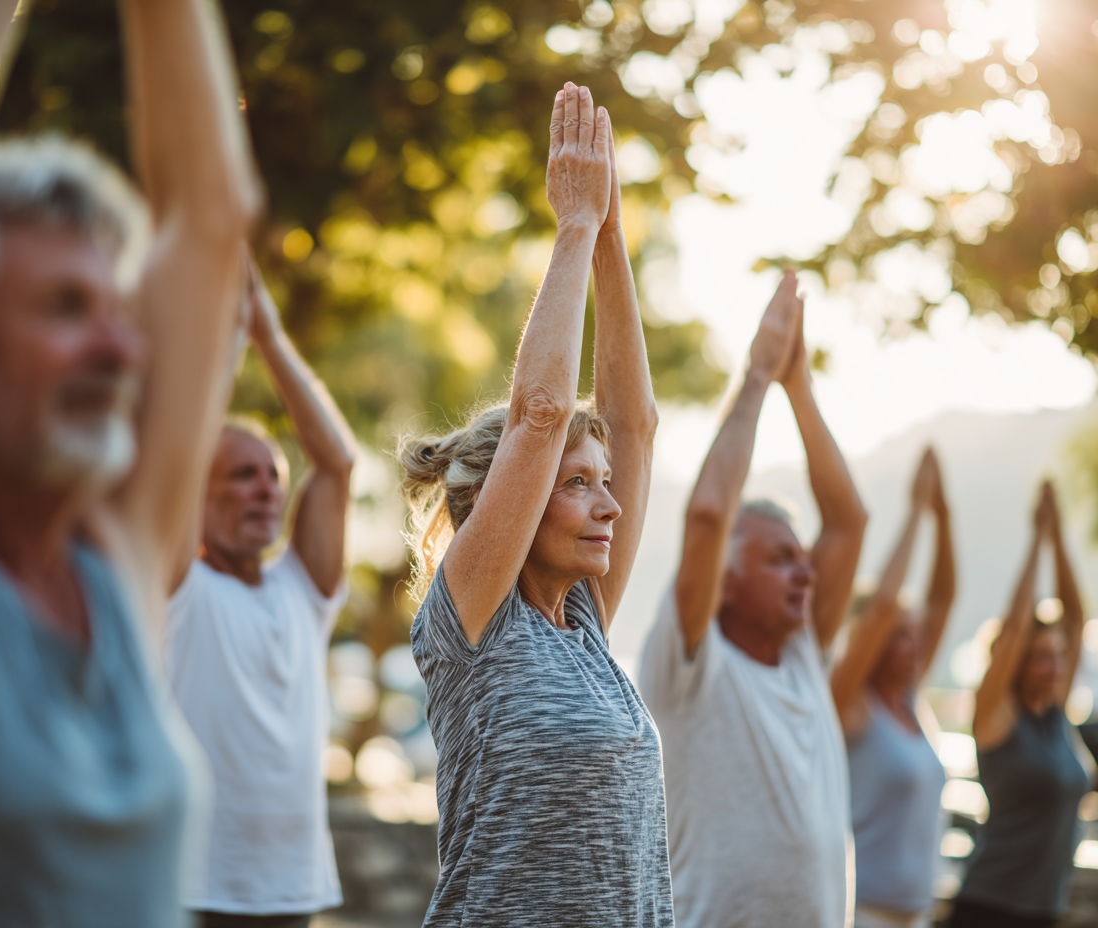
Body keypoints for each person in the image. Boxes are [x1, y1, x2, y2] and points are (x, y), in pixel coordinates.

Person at [0, 0, 260, 923]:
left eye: (115, 310)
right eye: (61, 308)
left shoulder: (118, 564)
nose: (119, 349)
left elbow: (210, 218)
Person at [397, 83, 670, 927]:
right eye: (576, 485)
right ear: (503, 507)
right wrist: (574, 227)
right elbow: (541, 415)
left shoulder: (583, 624)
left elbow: (637, 426)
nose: (610, 507)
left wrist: (614, 237)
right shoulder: (473, 621)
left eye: (605, 485)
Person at [638, 270, 868, 928]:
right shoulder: (689, 667)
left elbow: (849, 523)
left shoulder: (802, 655)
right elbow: (709, 515)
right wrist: (758, 377)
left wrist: (801, 387)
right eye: (778, 558)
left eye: (803, 559)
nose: (805, 574)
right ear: (726, 581)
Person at [166, 255, 357, 928]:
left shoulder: (301, 593)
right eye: (242, 476)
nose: (266, 489)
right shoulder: (174, 589)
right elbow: (173, 457)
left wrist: (269, 338)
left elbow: (336, 462)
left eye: (273, 476)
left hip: (292, 892)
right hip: (190, 891)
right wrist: (225, 345)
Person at [949, 482, 1089, 928]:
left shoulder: (1056, 716)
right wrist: (1035, 542)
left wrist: (1058, 536)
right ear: (1017, 664)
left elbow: (1077, 616)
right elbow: (1013, 631)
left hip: (1044, 910)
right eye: (1041, 657)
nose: (1055, 667)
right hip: (989, 909)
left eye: (1059, 656)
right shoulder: (997, 715)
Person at [832, 448, 956, 928]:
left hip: (917, 916)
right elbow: (884, 603)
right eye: (901, 634)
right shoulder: (850, 705)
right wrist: (915, 513)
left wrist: (943, 518)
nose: (916, 644)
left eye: (916, 633)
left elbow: (943, 599)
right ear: (874, 641)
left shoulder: (909, 700)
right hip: (862, 915)